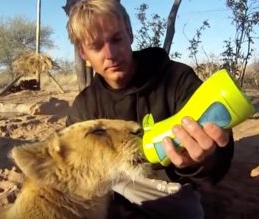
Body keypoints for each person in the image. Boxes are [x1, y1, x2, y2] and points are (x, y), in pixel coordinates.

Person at [65, 0, 234, 218]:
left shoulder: (178, 79)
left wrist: (201, 161)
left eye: (116, 39)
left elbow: (216, 164)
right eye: (96, 46)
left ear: (130, 33)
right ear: (83, 53)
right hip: (109, 187)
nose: (110, 54)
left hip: (168, 190)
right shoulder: (83, 108)